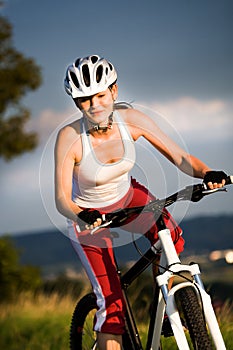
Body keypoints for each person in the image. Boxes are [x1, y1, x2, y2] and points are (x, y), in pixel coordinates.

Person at [54, 54, 227, 350]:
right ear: (76, 103)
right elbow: (61, 199)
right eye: (84, 100)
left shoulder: (131, 120)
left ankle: (163, 302)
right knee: (112, 310)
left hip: (128, 196)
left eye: (100, 95)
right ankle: (110, 329)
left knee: (170, 236)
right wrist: (83, 214)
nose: (94, 105)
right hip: (89, 216)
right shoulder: (69, 138)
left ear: (114, 91)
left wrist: (207, 172)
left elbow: (182, 158)